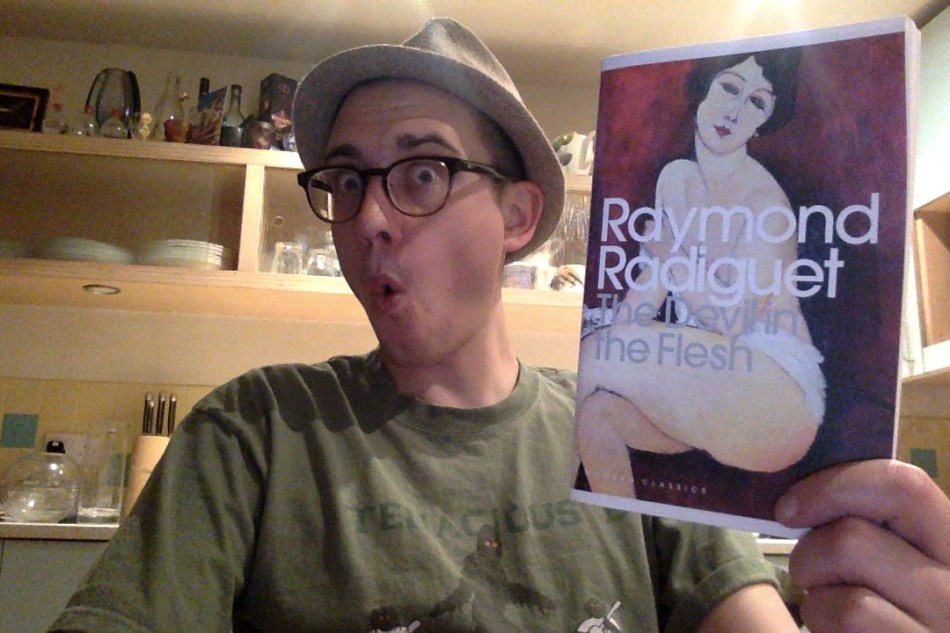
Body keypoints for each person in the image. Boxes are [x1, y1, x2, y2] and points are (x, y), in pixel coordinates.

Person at [48, 18, 949, 633]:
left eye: (422, 172)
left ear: (518, 218)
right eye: (348, 180)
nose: (370, 217)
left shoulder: (637, 459)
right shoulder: (255, 432)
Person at [575, 49, 824, 498]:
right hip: (702, 376)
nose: (734, 111)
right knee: (596, 414)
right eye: (730, 87)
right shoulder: (676, 178)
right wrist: (612, 336)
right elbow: (647, 294)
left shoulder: (765, 201)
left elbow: (733, 320)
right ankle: (613, 531)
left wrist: (669, 253)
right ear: (704, 88)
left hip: (776, 394)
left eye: (756, 102)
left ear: (764, 121)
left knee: (598, 354)